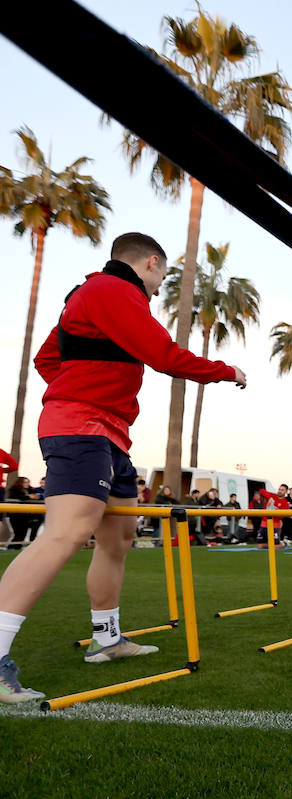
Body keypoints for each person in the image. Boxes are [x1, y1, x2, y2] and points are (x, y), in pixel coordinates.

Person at [0, 232, 246, 704]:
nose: (159, 288)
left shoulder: (92, 296)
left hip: (110, 434)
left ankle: (106, 640)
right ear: (151, 264)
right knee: (67, 533)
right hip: (81, 426)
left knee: (120, 536)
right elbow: (163, 356)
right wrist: (225, 370)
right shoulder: (113, 291)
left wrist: (87, 379)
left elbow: (46, 358)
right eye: (162, 277)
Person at [256, 484, 290, 548]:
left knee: (274, 546)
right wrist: (270, 498)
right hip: (264, 523)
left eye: (282, 490)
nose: (280, 491)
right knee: (259, 546)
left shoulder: (285, 503)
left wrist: (277, 510)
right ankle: (271, 545)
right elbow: (261, 491)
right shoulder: (272, 496)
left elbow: (281, 517)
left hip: (275, 525)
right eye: (279, 489)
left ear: (286, 492)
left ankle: (283, 544)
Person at [5, 477, 35, 550]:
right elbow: (17, 498)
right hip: (15, 516)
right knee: (17, 533)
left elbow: (35, 496)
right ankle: (10, 547)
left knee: (23, 533)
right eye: (25, 482)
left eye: (28, 482)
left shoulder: (30, 490)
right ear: (20, 483)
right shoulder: (14, 490)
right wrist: (28, 497)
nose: (27, 484)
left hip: (25, 516)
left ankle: (17, 547)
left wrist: (33, 496)